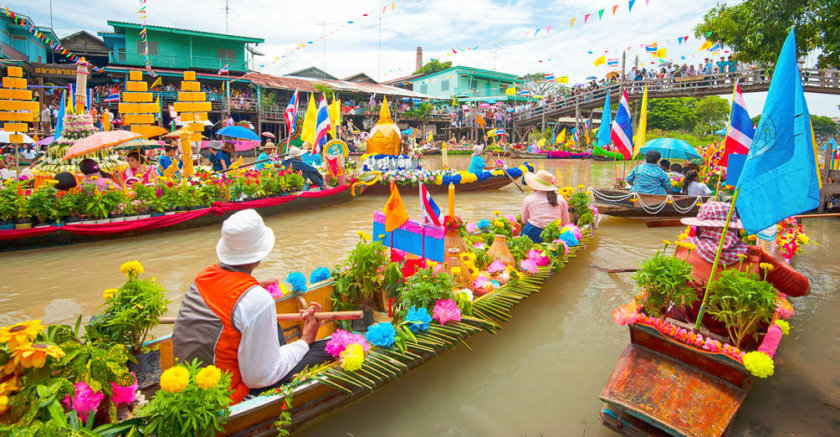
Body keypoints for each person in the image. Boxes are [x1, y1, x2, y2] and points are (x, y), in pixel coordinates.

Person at [173, 209, 332, 404]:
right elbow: (259, 378)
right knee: (330, 348)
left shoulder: (204, 276)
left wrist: (255, 288)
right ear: (259, 255)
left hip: (190, 381)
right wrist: (305, 340)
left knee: (272, 325)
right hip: (228, 396)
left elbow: (228, 299)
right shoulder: (256, 299)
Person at [669, 202, 810, 342]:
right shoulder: (756, 258)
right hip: (738, 334)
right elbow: (803, 289)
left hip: (693, 318)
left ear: (701, 227)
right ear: (734, 229)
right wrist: (780, 260)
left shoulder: (685, 248)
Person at [520, 170, 570, 243]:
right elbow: (565, 222)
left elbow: (524, 220)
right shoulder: (560, 199)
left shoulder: (529, 199)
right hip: (553, 234)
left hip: (533, 233)